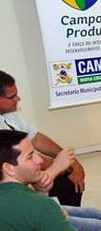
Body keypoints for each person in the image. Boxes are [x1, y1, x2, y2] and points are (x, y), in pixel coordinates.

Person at [0, 70, 86, 206]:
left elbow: (36, 138)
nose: (18, 99)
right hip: (12, 189)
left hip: (22, 175)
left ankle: (65, 218)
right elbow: (24, 159)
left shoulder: (9, 114)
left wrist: (71, 162)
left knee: (69, 182)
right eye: (12, 97)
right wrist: (64, 166)